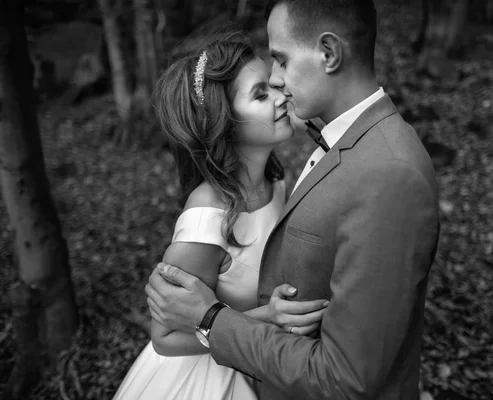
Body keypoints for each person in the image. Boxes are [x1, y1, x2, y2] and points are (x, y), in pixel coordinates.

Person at [146, 0, 440, 399]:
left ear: (329, 53)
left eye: (281, 61)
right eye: (262, 89)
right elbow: (166, 328)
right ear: (225, 122)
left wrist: (214, 319)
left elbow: (348, 375)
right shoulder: (341, 150)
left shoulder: (387, 173)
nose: (278, 81)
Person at [113, 30, 330, 400]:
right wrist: (269, 318)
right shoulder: (207, 216)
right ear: (224, 123)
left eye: (273, 85)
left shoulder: (276, 183)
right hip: (203, 381)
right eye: (261, 94)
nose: (282, 96)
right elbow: (165, 338)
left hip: (262, 364)